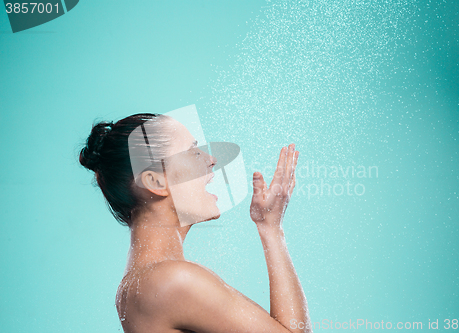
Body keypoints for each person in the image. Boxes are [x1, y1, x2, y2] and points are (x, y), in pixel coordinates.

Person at [79, 113, 312, 333]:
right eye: (193, 152)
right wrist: (272, 230)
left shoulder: (136, 285)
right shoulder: (171, 280)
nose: (211, 160)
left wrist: (268, 226)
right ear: (155, 181)